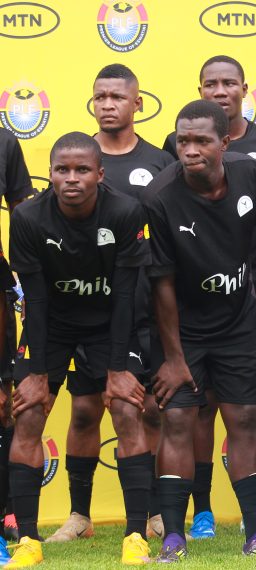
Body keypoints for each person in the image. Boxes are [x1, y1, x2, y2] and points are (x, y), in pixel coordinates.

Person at [6, 132, 152, 567]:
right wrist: (36, 371)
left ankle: (136, 536)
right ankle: (28, 540)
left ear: (100, 174)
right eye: (62, 170)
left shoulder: (125, 211)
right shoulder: (28, 217)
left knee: (126, 408)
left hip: (109, 322)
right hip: (52, 324)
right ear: (49, 174)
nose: (72, 178)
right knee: (29, 412)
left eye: (82, 169)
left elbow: (125, 294)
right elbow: (35, 299)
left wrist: (118, 368)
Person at [45, 63, 173, 545]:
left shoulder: (160, 162)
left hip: (143, 311)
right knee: (83, 411)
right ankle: (79, 515)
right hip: (86, 317)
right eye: (100, 97)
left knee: (146, 411)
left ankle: (153, 513)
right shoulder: (76, 159)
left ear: (137, 103)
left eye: (117, 97)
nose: (108, 104)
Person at [146, 100, 256, 561]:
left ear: (225, 142)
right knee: (178, 420)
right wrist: (174, 358)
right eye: (183, 141)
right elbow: (161, 285)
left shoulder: (250, 173)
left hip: (238, 323)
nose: (191, 150)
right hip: (183, 330)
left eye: (201, 141)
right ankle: (174, 536)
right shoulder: (159, 198)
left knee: (245, 419)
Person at [0, 127, 33, 561]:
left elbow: (23, 215)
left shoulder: (5, 142)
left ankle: (6, 511)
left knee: (2, 403)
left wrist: (30, 287)